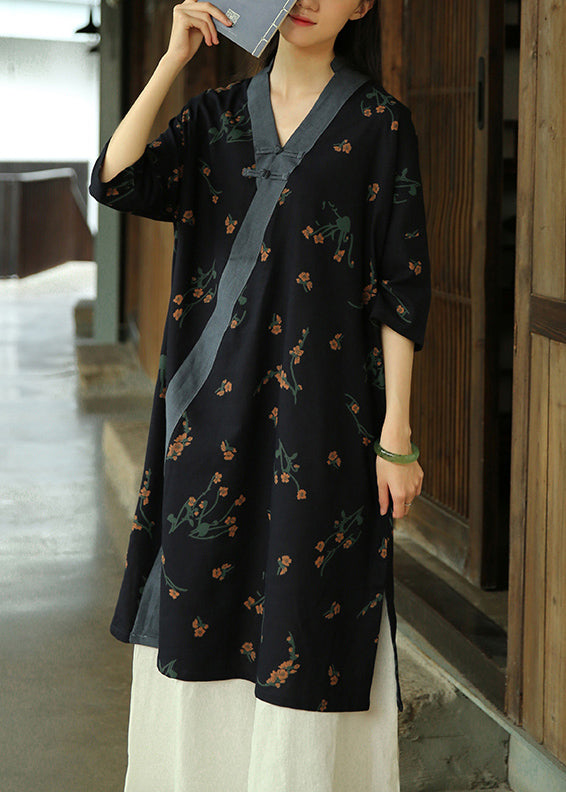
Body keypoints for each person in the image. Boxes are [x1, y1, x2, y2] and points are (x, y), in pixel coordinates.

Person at [89, 0, 431, 789]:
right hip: (208, 416)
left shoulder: (380, 124)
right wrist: (173, 58)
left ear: (363, 5)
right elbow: (116, 181)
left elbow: (401, 288)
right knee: (201, 592)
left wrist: (397, 435)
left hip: (324, 427)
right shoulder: (214, 118)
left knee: (311, 608)